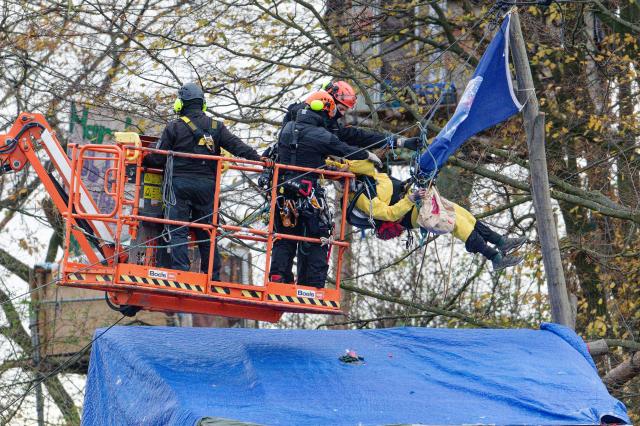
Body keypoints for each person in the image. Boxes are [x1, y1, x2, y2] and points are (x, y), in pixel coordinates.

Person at [143, 82, 262, 279]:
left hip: (179, 186)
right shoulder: (217, 127)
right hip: (207, 188)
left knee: (178, 229)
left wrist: (145, 159)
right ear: (202, 104)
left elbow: (159, 157)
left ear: (180, 104)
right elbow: (237, 146)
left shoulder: (174, 127)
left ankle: (180, 273)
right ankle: (212, 276)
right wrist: (259, 159)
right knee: (207, 231)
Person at [269, 90, 379, 288]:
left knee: (284, 236)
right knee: (319, 235)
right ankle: (313, 284)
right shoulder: (320, 134)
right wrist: (367, 155)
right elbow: (344, 149)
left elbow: (305, 158)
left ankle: (278, 277)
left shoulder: (286, 129)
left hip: (283, 192)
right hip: (308, 193)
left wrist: (329, 169)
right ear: (324, 111)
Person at [332, 159, 525, 271]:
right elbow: (388, 214)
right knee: (456, 223)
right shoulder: (360, 197)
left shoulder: (371, 178)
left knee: (463, 214)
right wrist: (411, 198)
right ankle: (494, 258)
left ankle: (500, 241)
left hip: (416, 200)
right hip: (410, 213)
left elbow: (359, 165)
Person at [280, 80, 422, 151]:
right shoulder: (299, 117)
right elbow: (338, 146)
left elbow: (359, 136)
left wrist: (399, 142)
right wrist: (364, 154)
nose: (341, 114)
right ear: (330, 101)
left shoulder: (330, 125)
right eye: (341, 108)